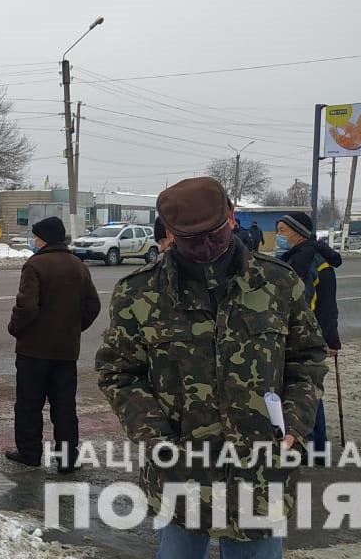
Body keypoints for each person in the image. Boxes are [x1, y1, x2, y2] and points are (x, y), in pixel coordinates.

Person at [96, 177, 327, 556]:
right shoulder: (140, 292)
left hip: (260, 471)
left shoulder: (277, 283)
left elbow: (307, 357)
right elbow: (119, 372)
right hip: (181, 472)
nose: (205, 248)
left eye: (214, 235)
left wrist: (294, 427)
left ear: (232, 218)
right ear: (169, 233)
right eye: (191, 240)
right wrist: (156, 440)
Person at [4, 216, 101, 471]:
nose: (34, 241)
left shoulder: (35, 265)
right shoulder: (78, 266)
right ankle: (68, 459)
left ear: (44, 238)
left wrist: (15, 329)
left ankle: (29, 453)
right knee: (65, 407)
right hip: (66, 351)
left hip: (33, 351)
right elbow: (93, 305)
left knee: (29, 404)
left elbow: (26, 307)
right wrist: (73, 329)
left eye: (36, 236)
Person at [276, 211, 341, 461]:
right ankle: (314, 448)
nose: (279, 236)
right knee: (305, 389)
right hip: (303, 335)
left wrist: (329, 340)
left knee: (304, 390)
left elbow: (321, 305)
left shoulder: (307, 261)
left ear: (298, 233)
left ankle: (314, 449)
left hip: (302, 337)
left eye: (282, 230)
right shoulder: (299, 257)